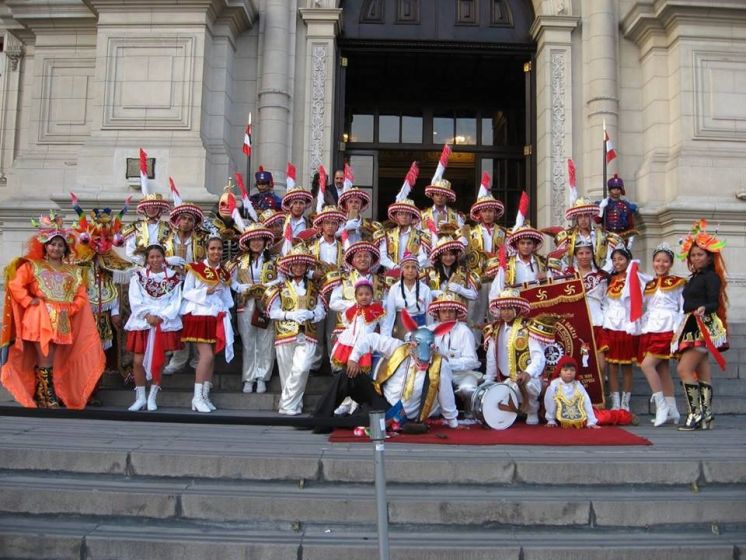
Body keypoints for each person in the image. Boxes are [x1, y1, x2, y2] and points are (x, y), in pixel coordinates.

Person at [1, 211, 105, 409]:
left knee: (56, 357)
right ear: (45, 246)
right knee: (45, 356)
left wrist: (72, 308)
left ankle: (48, 391)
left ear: (65, 248)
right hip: (39, 317)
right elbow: (15, 285)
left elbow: (81, 295)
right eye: (52, 244)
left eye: (60, 245)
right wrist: (28, 301)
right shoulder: (33, 266)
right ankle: (46, 394)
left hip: (63, 318)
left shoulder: (73, 271)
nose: (56, 248)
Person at [313, 316, 460, 430]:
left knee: (364, 420)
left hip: (399, 415)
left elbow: (446, 394)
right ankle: (319, 419)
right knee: (348, 376)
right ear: (411, 344)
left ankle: (339, 420)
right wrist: (353, 358)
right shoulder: (399, 347)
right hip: (380, 396)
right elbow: (371, 339)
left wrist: (453, 422)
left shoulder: (441, 364)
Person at [672, 219, 728, 431]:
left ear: (709, 256)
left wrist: (705, 308)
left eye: (700, 254)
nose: (696, 258)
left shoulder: (711, 277)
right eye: (693, 255)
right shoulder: (694, 277)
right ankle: (707, 416)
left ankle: (695, 414)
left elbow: (714, 301)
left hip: (702, 324)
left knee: (684, 368)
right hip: (691, 323)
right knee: (703, 371)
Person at [265, 243, 326, 415]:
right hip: (285, 334)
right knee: (287, 374)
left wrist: (311, 315)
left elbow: (322, 310)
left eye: (302, 264)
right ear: (290, 266)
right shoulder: (281, 287)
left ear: (307, 266)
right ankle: (294, 405)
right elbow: (271, 311)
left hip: (308, 334)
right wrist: (289, 315)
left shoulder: (314, 288)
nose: (299, 267)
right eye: (295, 264)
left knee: (302, 368)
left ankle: (286, 404)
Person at [124, 245, 183, 411]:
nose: (155, 260)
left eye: (158, 256)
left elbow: (175, 301)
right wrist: (147, 315)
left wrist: (161, 316)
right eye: (152, 257)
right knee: (138, 360)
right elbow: (134, 298)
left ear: (164, 258)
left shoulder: (173, 278)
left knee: (159, 361)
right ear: (147, 259)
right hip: (143, 321)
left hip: (163, 322)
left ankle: (152, 396)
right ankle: (140, 396)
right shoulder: (138, 277)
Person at [180, 236, 235, 413]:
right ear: (206, 249)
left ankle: (204, 395)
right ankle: (196, 397)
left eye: (219, 249)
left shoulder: (224, 274)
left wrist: (225, 311)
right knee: (207, 356)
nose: (216, 252)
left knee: (211, 358)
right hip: (198, 315)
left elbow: (227, 298)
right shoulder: (195, 269)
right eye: (212, 248)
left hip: (215, 317)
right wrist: (206, 291)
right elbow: (186, 292)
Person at [483, 289, 552, 425]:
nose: (506, 312)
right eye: (503, 309)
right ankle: (515, 409)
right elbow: (491, 357)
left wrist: (528, 373)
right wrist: (489, 380)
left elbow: (538, 357)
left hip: (527, 378)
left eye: (510, 308)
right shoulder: (494, 329)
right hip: (505, 379)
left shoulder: (528, 327)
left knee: (530, 385)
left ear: (517, 308)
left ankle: (532, 410)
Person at [229, 223, 280, 394]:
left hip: (266, 302)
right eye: (253, 239)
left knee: (266, 341)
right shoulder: (239, 262)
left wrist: (265, 287)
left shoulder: (274, 261)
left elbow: (282, 280)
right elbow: (232, 281)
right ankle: (249, 378)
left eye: (260, 239)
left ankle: (262, 377)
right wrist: (243, 288)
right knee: (249, 342)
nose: (256, 242)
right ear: (248, 242)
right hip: (246, 303)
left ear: (265, 241)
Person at [638, 243, 685, 426]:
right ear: (653, 262)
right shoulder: (648, 284)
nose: (661, 264)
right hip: (651, 327)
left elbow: (682, 308)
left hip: (668, 327)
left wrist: (678, 331)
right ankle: (673, 410)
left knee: (647, 365)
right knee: (662, 369)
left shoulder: (678, 283)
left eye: (665, 261)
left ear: (670, 263)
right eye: (658, 260)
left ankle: (661, 406)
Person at [162, 199, 208, 375]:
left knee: (194, 320)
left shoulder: (201, 240)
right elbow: (156, 259)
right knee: (176, 321)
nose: (186, 222)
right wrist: (168, 261)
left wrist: (192, 267)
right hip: (172, 286)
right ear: (177, 220)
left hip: (193, 284)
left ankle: (198, 358)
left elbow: (206, 262)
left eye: (190, 219)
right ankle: (178, 358)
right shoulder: (166, 239)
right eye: (183, 218)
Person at [602, 247, 645, 411]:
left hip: (627, 326)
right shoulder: (610, 279)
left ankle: (626, 403)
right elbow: (605, 302)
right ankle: (616, 402)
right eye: (614, 260)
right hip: (611, 326)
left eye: (620, 259)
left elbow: (638, 301)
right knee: (612, 368)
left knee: (626, 367)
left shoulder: (635, 278)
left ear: (627, 260)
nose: (617, 262)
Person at [308, 206, 347, 372]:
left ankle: (334, 363)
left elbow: (348, 269)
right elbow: (304, 269)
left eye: (333, 223)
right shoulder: (313, 247)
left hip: (336, 292)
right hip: (317, 291)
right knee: (316, 327)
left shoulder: (343, 248)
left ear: (338, 226)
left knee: (334, 328)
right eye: (327, 223)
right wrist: (312, 273)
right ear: (321, 225)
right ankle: (315, 364)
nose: (330, 226)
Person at [463, 192, 506, 337]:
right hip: (477, 281)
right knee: (475, 315)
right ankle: (473, 349)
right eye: (485, 211)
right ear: (479, 213)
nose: (488, 214)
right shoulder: (470, 233)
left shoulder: (503, 233)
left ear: (495, 213)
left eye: (491, 211)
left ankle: (497, 347)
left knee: (497, 313)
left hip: (497, 280)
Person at [327, 241, 386, 338]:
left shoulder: (380, 281)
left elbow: (387, 302)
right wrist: (356, 304)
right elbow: (333, 303)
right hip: (347, 330)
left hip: (373, 330)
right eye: (359, 256)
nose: (362, 259)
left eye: (366, 256)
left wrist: (380, 303)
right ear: (353, 261)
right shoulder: (344, 279)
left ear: (371, 260)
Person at [428, 293, 481, 396]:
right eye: (443, 311)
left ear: (457, 313)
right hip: (436, 375)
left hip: (461, 375)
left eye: (451, 311)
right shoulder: (430, 330)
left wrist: (447, 362)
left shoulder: (464, 331)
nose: (447, 315)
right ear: (438, 313)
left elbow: (472, 361)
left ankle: (468, 412)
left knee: (468, 389)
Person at [573, 242, 609, 375]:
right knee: (579, 359)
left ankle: (601, 393)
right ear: (575, 255)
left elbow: (606, 301)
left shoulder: (601, 276)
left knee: (600, 365)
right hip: (577, 323)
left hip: (597, 322)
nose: (584, 256)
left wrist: (606, 321)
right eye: (580, 253)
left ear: (592, 254)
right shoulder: (569, 275)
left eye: (587, 253)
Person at [381, 253, 432, 338]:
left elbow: (429, 316)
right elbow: (390, 315)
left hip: (420, 330)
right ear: (402, 270)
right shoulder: (394, 288)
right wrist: (386, 337)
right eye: (407, 267)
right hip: (400, 330)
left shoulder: (425, 289)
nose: (410, 270)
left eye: (413, 267)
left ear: (417, 270)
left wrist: (429, 333)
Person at [544, 356, 599, 429]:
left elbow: (586, 402)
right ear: (559, 372)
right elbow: (549, 402)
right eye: (565, 370)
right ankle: (551, 420)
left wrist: (591, 421)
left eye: (572, 370)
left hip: (576, 415)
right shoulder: (554, 384)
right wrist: (550, 419)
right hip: (559, 415)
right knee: (549, 391)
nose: (569, 372)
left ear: (576, 372)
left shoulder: (578, 384)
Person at [426, 229, 479, 304]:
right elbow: (421, 294)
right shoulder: (431, 272)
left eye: (451, 254)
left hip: (457, 313)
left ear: (456, 255)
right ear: (439, 256)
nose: (448, 258)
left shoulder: (463, 271)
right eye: (445, 255)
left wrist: (460, 289)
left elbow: (475, 295)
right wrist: (433, 293)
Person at [376, 198, 430, 271]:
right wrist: (394, 267)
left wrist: (409, 266)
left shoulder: (420, 235)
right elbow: (382, 256)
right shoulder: (387, 234)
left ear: (412, 217)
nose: (404, 217)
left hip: (412, 273)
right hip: (392, 274)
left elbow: (423, 256)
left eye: (407, 214)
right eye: (400, 214)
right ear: (396, 217)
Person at [598, 174, 638, 242]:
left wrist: (630, 239)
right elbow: (597, 221)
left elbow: (631, 225)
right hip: (608, 237)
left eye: (618, 189)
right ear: (610, 190)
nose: (616, 191)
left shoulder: (626, 205)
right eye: (613, 188)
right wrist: (601, 209)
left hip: (622, 237)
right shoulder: (605, 204)